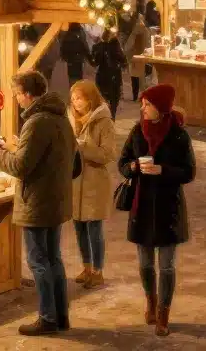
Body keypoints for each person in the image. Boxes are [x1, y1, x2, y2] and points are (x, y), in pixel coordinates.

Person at [0, 71, 76, 336]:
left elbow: (20, 166)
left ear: (27, 94)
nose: (16, 99)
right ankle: (60, 315)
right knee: (54, 259)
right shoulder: (61, 117)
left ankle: (48, 318)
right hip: (56, 197)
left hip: (38, 201)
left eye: (16, 94)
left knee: (38, 261)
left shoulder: (37, 122)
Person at [117, 84, 196, 337]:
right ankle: (150, 302)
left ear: (160, 107)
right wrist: (133, 167)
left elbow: (189, 171)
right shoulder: (137, 131)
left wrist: (163, 170)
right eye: (142, 104)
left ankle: (164, 312)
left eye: (147, 104)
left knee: (167, 266)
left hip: (168, 206)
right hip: (141, 205)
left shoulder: (179, 136)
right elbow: (122, 162)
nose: (142, 108)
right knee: (145, 264)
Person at [68, 80, 117, 289]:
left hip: (95, 182)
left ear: (90, 98)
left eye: (79, 98)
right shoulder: (72, 119)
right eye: (73, 99)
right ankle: (86, 267)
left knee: (94, 228)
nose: (76, 103)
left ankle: (98, 270)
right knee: (78, 227)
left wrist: (82, 147)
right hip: (75, 181)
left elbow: (107, 154)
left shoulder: (103, 121)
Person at [90, 29, 127, 119]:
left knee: (103, 99)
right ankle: (111, 118)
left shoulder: (98, 47)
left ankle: (105, 117)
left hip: (102, 76)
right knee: (114, 100)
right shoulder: (116, 46)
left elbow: (94, 63)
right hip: (114, 77)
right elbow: (124, 61)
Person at [119, 9, 151, 101]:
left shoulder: (135, 30)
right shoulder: (144, 30)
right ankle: (142, 95)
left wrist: (126, 53)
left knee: (135, 78)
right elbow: (147, 43)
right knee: (141, 78)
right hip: (141, 57)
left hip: (134, 58)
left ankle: (136, 96)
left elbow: (128, 46)